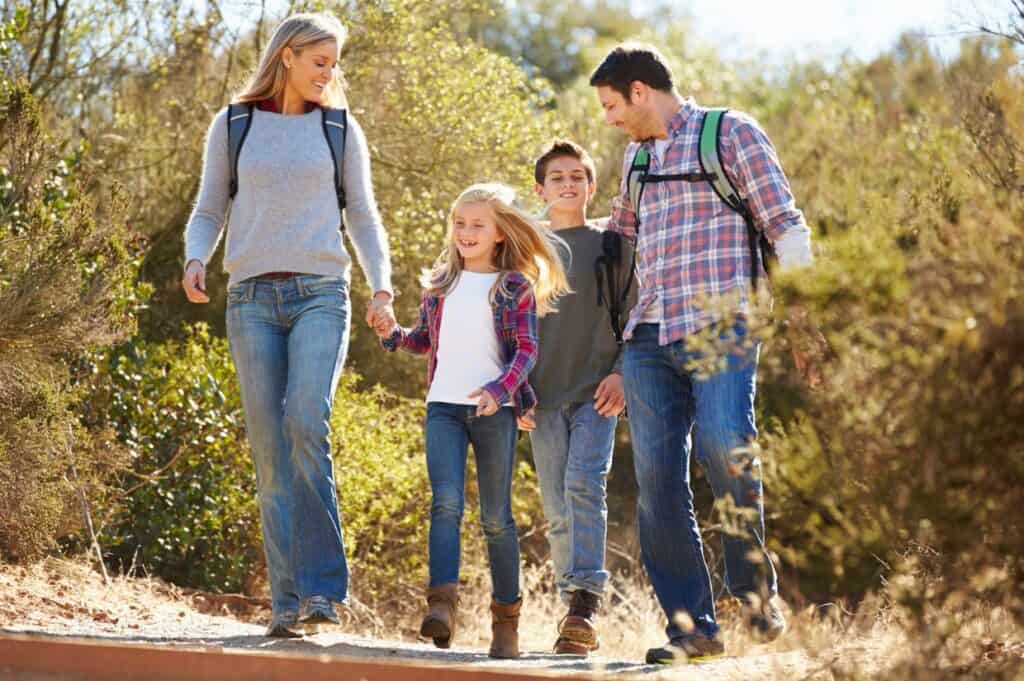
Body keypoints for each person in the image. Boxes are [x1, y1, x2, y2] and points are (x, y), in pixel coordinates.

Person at [590, 42, 814, 664]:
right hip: (649, 337)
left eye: (611, 104)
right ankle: (693, 629)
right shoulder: (635, 159)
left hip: (724, 329)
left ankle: (756, 594)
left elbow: (785, 225)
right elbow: (616, 240)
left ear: (640, 91)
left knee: (724, 444)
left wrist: (806, 318)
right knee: (659, 482)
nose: (608, 118)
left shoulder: (729, 132)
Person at [181, 13, 395, 638]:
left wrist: (381, 280)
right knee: (271, 456)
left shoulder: (339, 128)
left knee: (307, 419)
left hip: (320, 293)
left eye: (335, 63)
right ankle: (286, 602)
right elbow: (209, 206)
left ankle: (324, 592)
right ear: (287, 58)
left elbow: (363, 213)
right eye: (320, 62)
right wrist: (196, 256)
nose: (330, 73)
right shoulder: (234, 124)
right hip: (248, 299)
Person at [375, 183, 569, 659]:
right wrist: (391, 334)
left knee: (496, 519)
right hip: (442, 407)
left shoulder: (513, 286)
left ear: (501, 232)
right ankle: (441, 606)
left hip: (494, 412)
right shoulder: (442, 283)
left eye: (477, 224)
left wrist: (499, 391)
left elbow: (526, 350)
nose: (466, 232)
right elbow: (424, 340)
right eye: (459, 223)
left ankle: (506, 622)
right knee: (444, 504)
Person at [516, 140, 635, 656]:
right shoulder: (525, 250)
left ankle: (585, 599)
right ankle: (573, 616)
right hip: (540, 396)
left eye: (577, 176)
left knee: (585, 484)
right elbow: (507, 327)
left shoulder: (612, 243)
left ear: (590, 186)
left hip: (596, 392)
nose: (568, 183)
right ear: (539, 189)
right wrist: (513, 388)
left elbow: (637, 313)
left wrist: (624, 373)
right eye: (557, 177)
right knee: (557, 507)